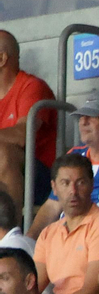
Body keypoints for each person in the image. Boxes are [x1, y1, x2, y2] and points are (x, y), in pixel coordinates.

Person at [28, 94, 99, 236]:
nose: (83, 121)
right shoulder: (74, 155)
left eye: (93, 116)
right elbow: (52, 206)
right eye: (82, 116)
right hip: (66, 235)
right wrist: (27, 243)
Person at [34, 155, 99, 294]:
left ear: (92, 185)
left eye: (81, 183)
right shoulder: (48, 233)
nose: (73, 191)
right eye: (65, 183)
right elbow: (32, 287)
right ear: (54, 188)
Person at [0, 32, 58, 210]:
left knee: (3, 152)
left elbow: (22, 135)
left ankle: (8, 234)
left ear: (1, 59)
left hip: (38, 177)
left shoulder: (31, 87)